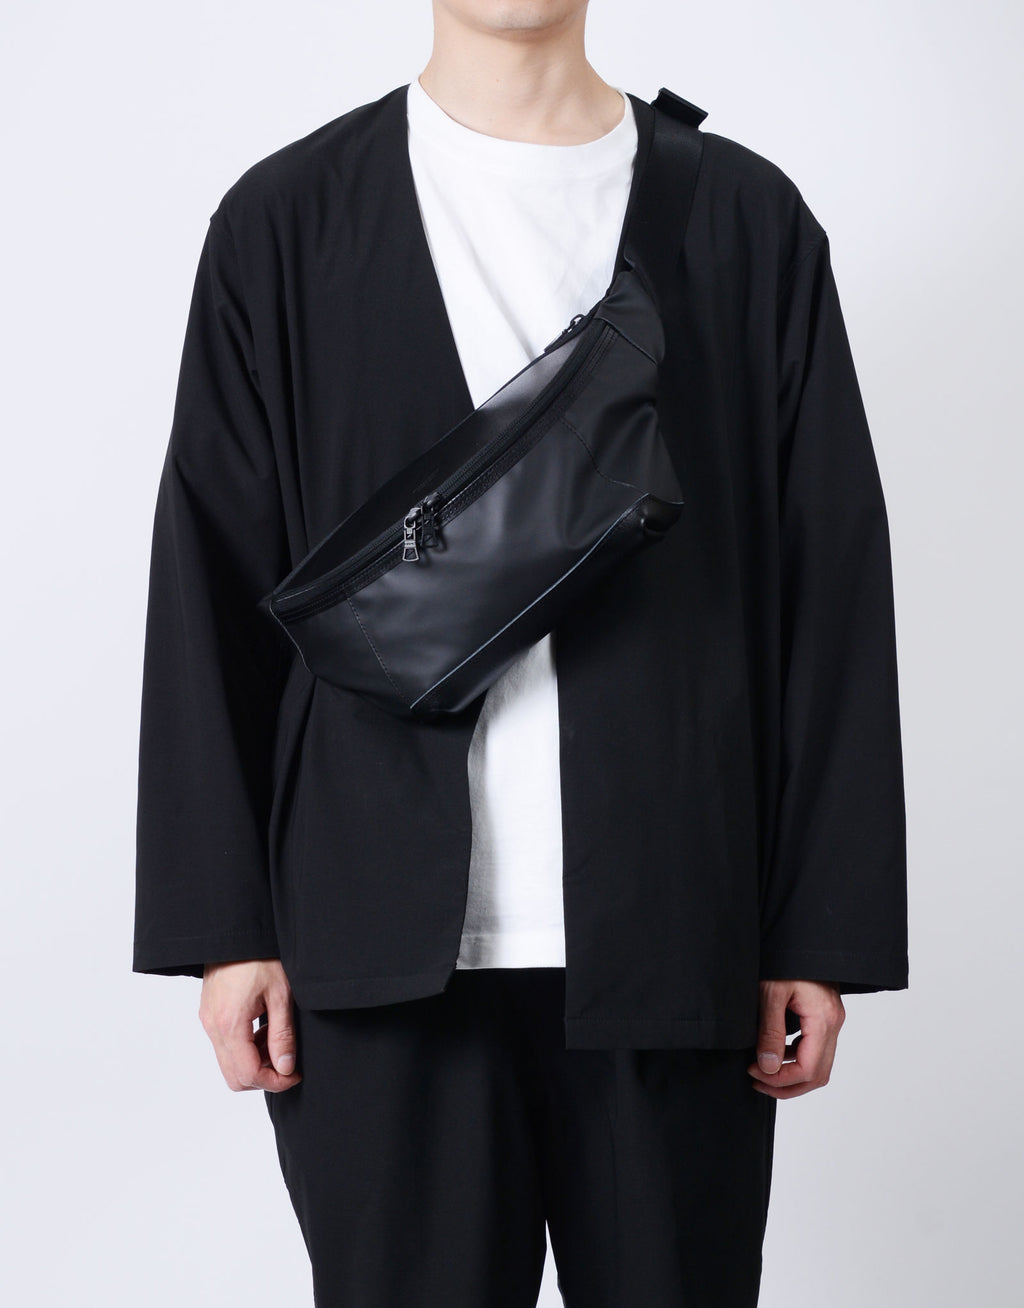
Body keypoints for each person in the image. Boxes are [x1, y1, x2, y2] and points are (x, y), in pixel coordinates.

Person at [132, 2, 909, 1304]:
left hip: (680, 928)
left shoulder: (746, 219)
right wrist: (225, 931)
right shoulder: (287, 222)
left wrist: (819, 930)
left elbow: (828, 585)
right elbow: (208, 578)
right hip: (372, 941)